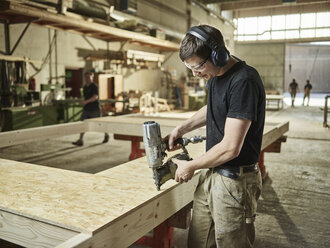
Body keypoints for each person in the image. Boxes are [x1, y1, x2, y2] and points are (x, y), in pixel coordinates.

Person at [166, 25, 265, 248]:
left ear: (217, 54)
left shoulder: (244, 81)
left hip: (234, 180)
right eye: (189, 68)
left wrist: (190, 166)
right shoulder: (216, 76)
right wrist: (182, 128)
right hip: (212, 172)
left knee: (232, 243)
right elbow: (214, 107)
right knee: (199, 241)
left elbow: (231, 147)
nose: (195, 74)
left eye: (197, 67)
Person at [72, 71, 109, 146]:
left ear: (92, 77)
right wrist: (83, 101)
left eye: (89, 77)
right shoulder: (85, 87)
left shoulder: (94, 86)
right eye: (86, 77)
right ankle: (80, 140)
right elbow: (85, 96)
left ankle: (106, 135)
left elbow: (95, 97)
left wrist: (86, 102)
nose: (87, 79)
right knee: (82, 124)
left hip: (94, 109)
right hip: (87, 109)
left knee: (99, 124)